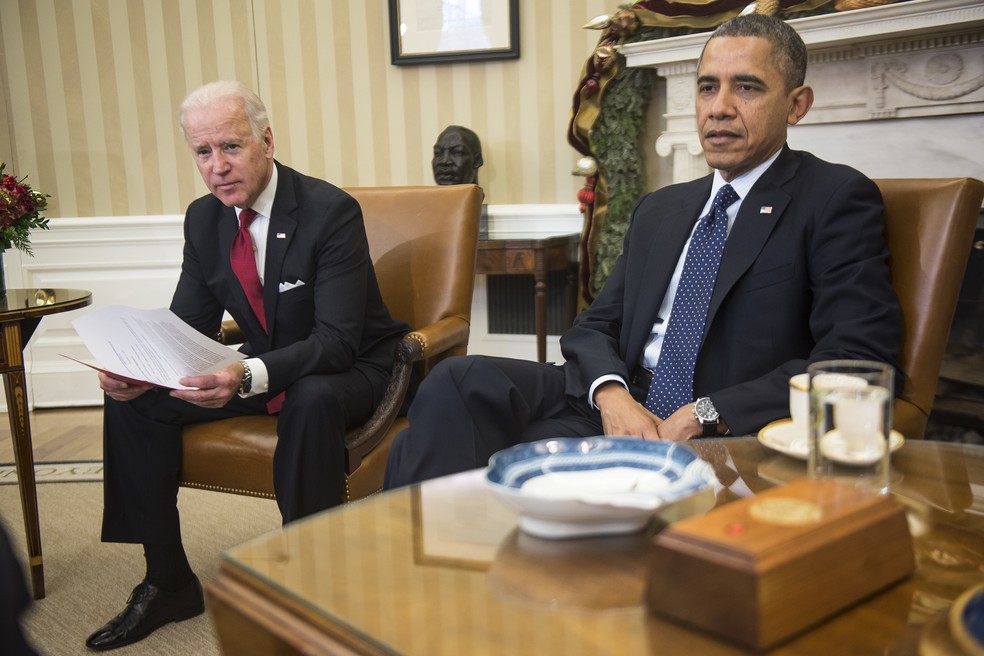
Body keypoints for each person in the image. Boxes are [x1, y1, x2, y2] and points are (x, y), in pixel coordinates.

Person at [384, 13, 901, 487]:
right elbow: (594, 325)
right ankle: (438, 569)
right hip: (623, 404)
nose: (719, 108)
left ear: (797, 104)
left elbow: (855, 358)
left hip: (720, 426)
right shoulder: (663, 208)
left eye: (746, 87)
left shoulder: (833, 197)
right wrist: (611, 396)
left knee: (425, 447)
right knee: (458, 381)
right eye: (707, 87)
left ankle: (442, 564)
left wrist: (704, 411)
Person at [86, 81, 409, 651]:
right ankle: (167, 579)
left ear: (266, 141)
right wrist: (140, 368)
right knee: (134, 401)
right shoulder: (204, 221)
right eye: (203, 153)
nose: (218, 167)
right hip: (266, 368)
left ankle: (310, 583)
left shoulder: (328, 211)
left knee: (311, 396)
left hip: (357, 369)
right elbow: (189, 326)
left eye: (231, 147)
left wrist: (244, 374)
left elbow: (335, 342)